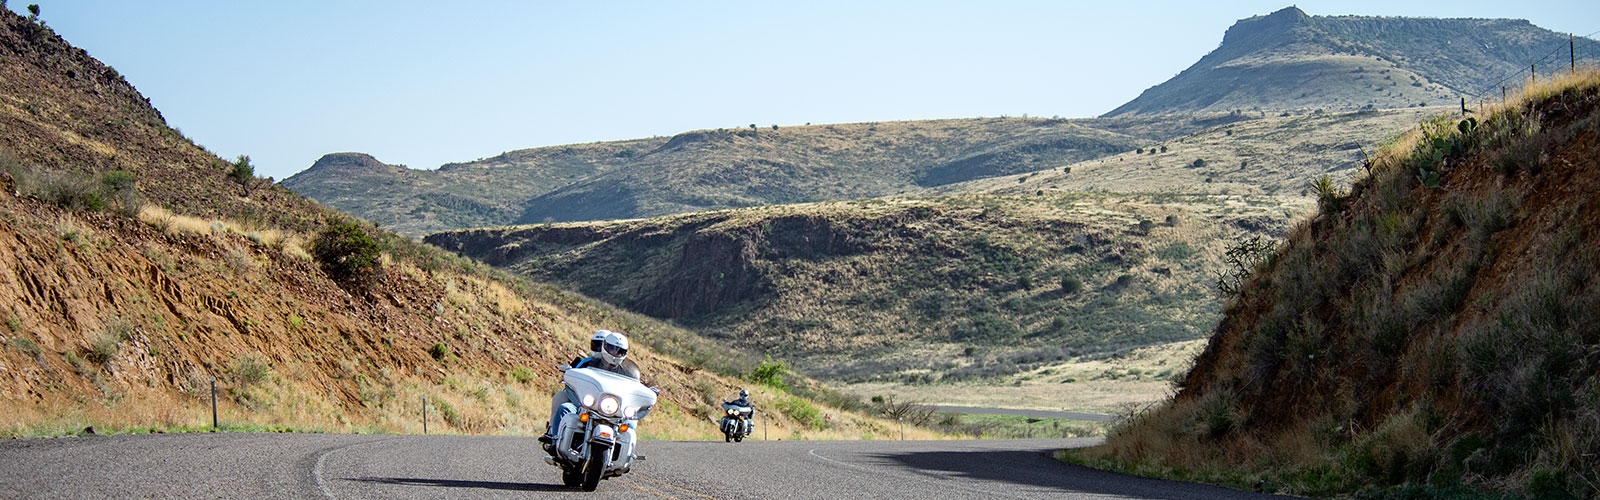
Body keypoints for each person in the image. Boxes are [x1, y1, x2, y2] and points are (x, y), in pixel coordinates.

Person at [541, 330, 640, 446]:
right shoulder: (587, 363)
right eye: (611, 348)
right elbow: (574, 377)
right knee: (564, 407)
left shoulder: (628, 372)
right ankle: (554, 440)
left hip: (614, 410)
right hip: (586, 404)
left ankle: (627, 455)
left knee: (631, 424)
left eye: (619, 351)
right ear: (605, 347)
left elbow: (634, 389)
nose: (614, 352)